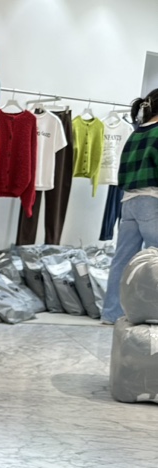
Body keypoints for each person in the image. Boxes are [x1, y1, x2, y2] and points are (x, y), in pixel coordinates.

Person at [102, 89, 158, 324]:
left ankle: (111, 313)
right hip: (152, 200)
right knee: (156, 260)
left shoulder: (136, 133)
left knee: (122, 259)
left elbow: (122, 171)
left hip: (128, 201)